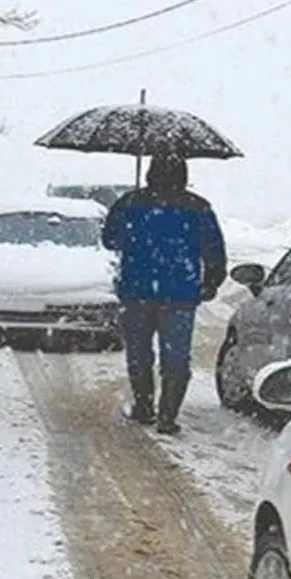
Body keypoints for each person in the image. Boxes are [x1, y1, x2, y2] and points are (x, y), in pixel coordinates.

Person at [101, 155, 227, 435]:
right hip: (181, 292)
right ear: (183, 174)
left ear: (149, 173)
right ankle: (168, 415)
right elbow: (213, 249)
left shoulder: (130, 203)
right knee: (176, 355)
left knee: (139, 352)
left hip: (137, 290)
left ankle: (144, 405)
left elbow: (109, 239)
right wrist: (212, 281)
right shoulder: (198, 207)